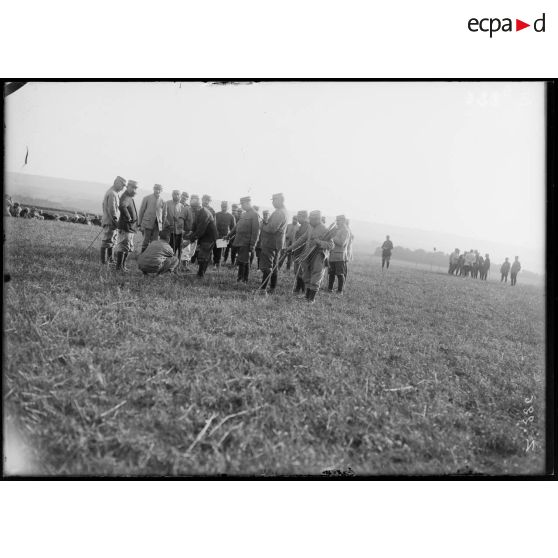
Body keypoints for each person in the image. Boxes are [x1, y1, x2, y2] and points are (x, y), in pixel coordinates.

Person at [287, 210, 334, 303]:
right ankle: (306, 297)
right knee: (307, 275)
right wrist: (291, 247)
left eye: (312, 219)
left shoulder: (324, 229)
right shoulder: (310, 227)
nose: (310, 221)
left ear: (317, 219)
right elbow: (302, 239)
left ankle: (311, 299)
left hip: (319, 255)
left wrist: (319, 242)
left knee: (316, 276)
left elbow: (331, 245)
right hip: (307, 254)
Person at [259, 194, 288, 293]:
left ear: (280, 200)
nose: (272, 202)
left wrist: (262, 225)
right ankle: (272, 288)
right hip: (277, 243)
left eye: (274, 200)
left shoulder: (279, 213)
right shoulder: (284, 211)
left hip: (271, 243)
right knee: (274, 266)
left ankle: (263, 290)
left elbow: (272, 229)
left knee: (267, 266)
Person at [227, 196, 260, 283]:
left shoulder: (255, 214)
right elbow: (236, 227)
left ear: (248, 203)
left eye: (242, 204)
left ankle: (242, 280)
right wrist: (228, 235)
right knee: (242, 261)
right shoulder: (244, 214)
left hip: (246, 242)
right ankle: (242, 279)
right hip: (239, 241)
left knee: (243, 262)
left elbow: (256, 232)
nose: (241, 206)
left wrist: (252, 245)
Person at [186, 194, 218, 278]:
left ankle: (201, 274)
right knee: (202, 255)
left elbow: (200, 230)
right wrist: (191, 231)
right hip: (204, 235)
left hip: (209, 237)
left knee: (203, 255)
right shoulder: (198, 211)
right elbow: (195, 224)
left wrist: (190, 240)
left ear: (198, 207)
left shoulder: (205, 213)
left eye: (193, 209)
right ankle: (200, 273)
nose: (192, 211)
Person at [100, 176, 126, 264]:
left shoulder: (114, 192)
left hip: (112, 221)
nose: (123, 188)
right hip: (110, 221)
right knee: (106, 240)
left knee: (112, 240)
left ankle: (110, 259)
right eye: (122, 185)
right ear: (117, 183)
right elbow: (112, 209)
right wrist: (115, 220)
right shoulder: (112, 193)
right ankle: (103, 261)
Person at [114, 180, 139, 271]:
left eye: (135, 188)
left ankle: (122, 266)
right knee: (124, 247)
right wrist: (128, 216)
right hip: (126, 227)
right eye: (132, 187)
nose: (134, 190)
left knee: (127, 247)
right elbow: (122, 206)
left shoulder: (129, 197)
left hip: (130, 227)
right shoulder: (126, 197)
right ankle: (119, 267)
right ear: (127, 187)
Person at [138, 184, 166, 253]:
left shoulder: (163, 201)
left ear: (161, 191)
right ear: (153, 189)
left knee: (154, 243)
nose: (157, 191)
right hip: (147, 224)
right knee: (145, 241)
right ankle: (142, 256)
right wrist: (139, 223)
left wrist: (162, 226)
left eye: (159, 189)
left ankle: (150, 258)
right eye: (156, 189)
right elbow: (141, 211)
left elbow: (164, 215)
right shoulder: (147, 198)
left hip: (157, 225)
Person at [327, 215, 350, 294]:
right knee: (331, 274)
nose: (337, 222)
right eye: (336, 220)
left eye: (339, 220)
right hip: (332, 255)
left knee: (340, 274)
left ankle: (340, 291)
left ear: (343, 221)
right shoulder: (336, 229)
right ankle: (329, 289)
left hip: (340, 256)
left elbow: (342, 243)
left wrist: (333, 237)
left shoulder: (345, 231)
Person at [164, 190, 185, 262]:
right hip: (169, 230)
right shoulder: (167, 203)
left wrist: (179, 222)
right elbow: (164, 216)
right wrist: (168, 224)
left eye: (178, 194)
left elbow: (182, 219)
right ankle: (168, 264)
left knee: (178, 248)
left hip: (179, 231)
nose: (176, 196)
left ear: (180, 196)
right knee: (169, 248)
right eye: (174, 194)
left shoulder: (182, 206)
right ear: (172, 195)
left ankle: (176, 264)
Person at [292, 210, 310, 294]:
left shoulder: (307, 226)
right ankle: (298, 288)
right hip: (297, 251)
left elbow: (305, 241)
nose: (298, 218)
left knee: (301, 272)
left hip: (302, 253)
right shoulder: (301, 226)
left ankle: (303, 289)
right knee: (297, 272)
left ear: (304, 217)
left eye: (299, 217)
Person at [214, 201, 236, 267]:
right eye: (223, 206)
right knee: (215, 250)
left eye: (225, 206)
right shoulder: (216, 214)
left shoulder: (231, 216)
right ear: (221, 206)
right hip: (216, 235)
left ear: (228, 207)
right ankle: (215, 262)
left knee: (220, 251)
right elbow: (213, 225)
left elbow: (233, 228)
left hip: (224, 237)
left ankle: (218, 264)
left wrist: (229, 236)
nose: (224, 207)